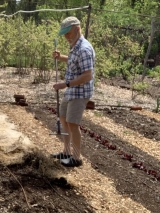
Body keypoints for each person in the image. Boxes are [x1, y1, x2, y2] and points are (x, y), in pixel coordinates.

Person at [51, 16, 95, 167]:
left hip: (80, 92)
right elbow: (72, 60)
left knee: (73, 123)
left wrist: (65, 84)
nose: (66, 37)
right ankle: (66, 152)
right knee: (63, 118)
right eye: (64, 34)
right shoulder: (75, 45)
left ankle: (76, 158)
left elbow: (87, 75)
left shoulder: (84, 49)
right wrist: (61, 57)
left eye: (68, 33)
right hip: (71, 90)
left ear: (77, 29)